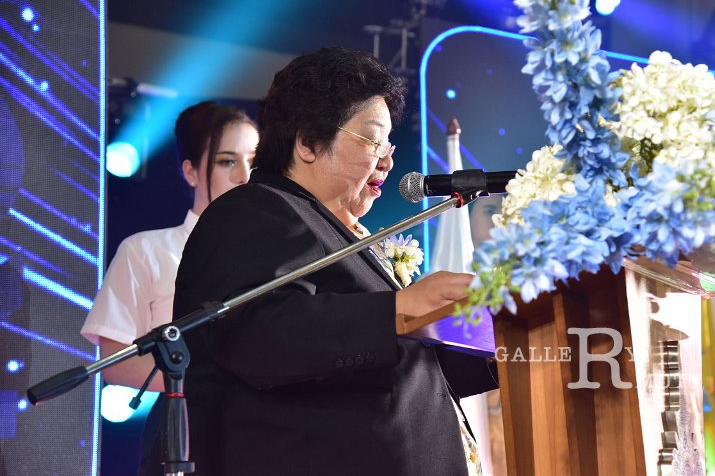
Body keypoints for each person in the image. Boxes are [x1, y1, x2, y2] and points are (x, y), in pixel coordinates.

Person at [171, 47, 498, 475]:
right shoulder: (254, 209)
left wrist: (495, 346)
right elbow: (256, 334)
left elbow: (390, 366)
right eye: (373, 140)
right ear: (308, 142)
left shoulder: (340, 232)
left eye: (389, 144)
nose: (388, 160)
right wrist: (399, 308)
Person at [80, 101, 259, 391]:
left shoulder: (279, 254)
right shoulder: (145, 250)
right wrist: (214, 385)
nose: (245, 176)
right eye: (227, 161)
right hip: (189, 414)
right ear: (191, 172)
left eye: (254, 160)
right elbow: (116, 363)